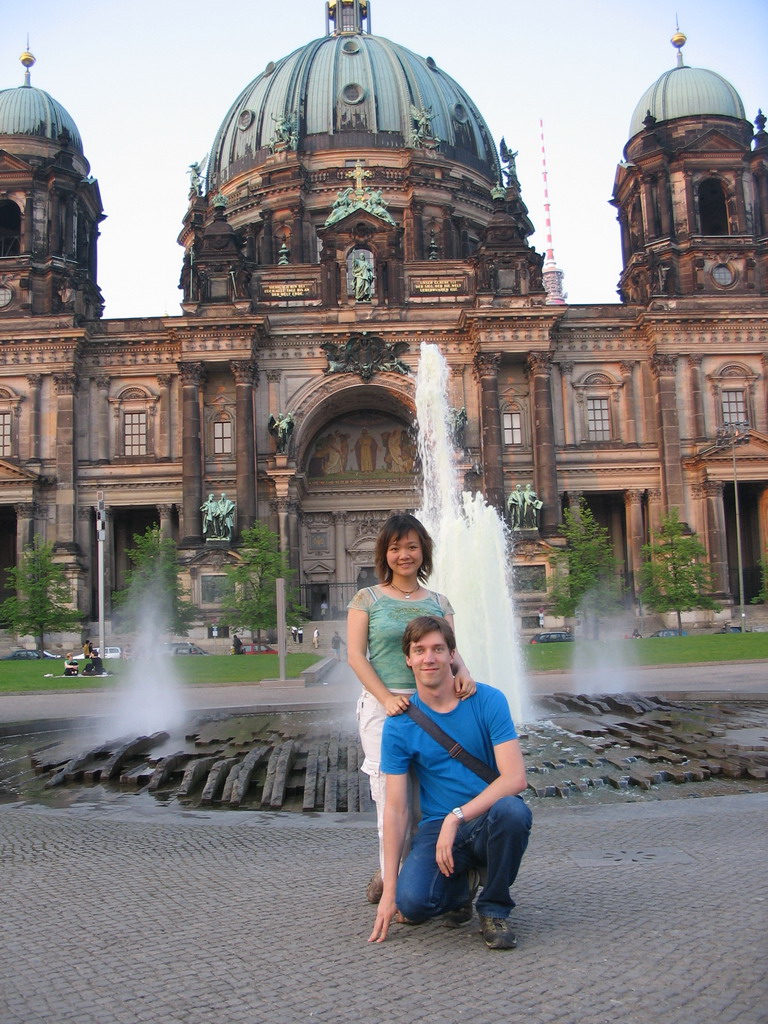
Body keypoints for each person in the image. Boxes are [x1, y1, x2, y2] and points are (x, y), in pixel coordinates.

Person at [369, 615, 531, 950]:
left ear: (452, 655)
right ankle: (463, 882)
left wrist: (455, 816)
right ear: (408, 659)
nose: (429, 658)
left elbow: (515, 778)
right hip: (436, 829)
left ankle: (494, 908)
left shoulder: (489, 700)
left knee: (513, 813)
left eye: (438, 649)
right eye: (420, 650)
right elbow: (396, 809)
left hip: (486, 818)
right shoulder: (399, 725)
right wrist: (390, 890)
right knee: (413, 904)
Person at [347, 513, 475, 904]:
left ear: (424, 552)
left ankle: (416, 872)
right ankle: (394, 881)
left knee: (432, 795)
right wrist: (386, 698)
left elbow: (451, 652)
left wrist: (464, 672)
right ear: (385, 553)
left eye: (412, 547)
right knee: (391, 796)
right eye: (396, 547)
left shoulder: (439, 602)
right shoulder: (366, 599)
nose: (404, 555)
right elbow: (355, 656)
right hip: (384, 710)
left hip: (434, 708)